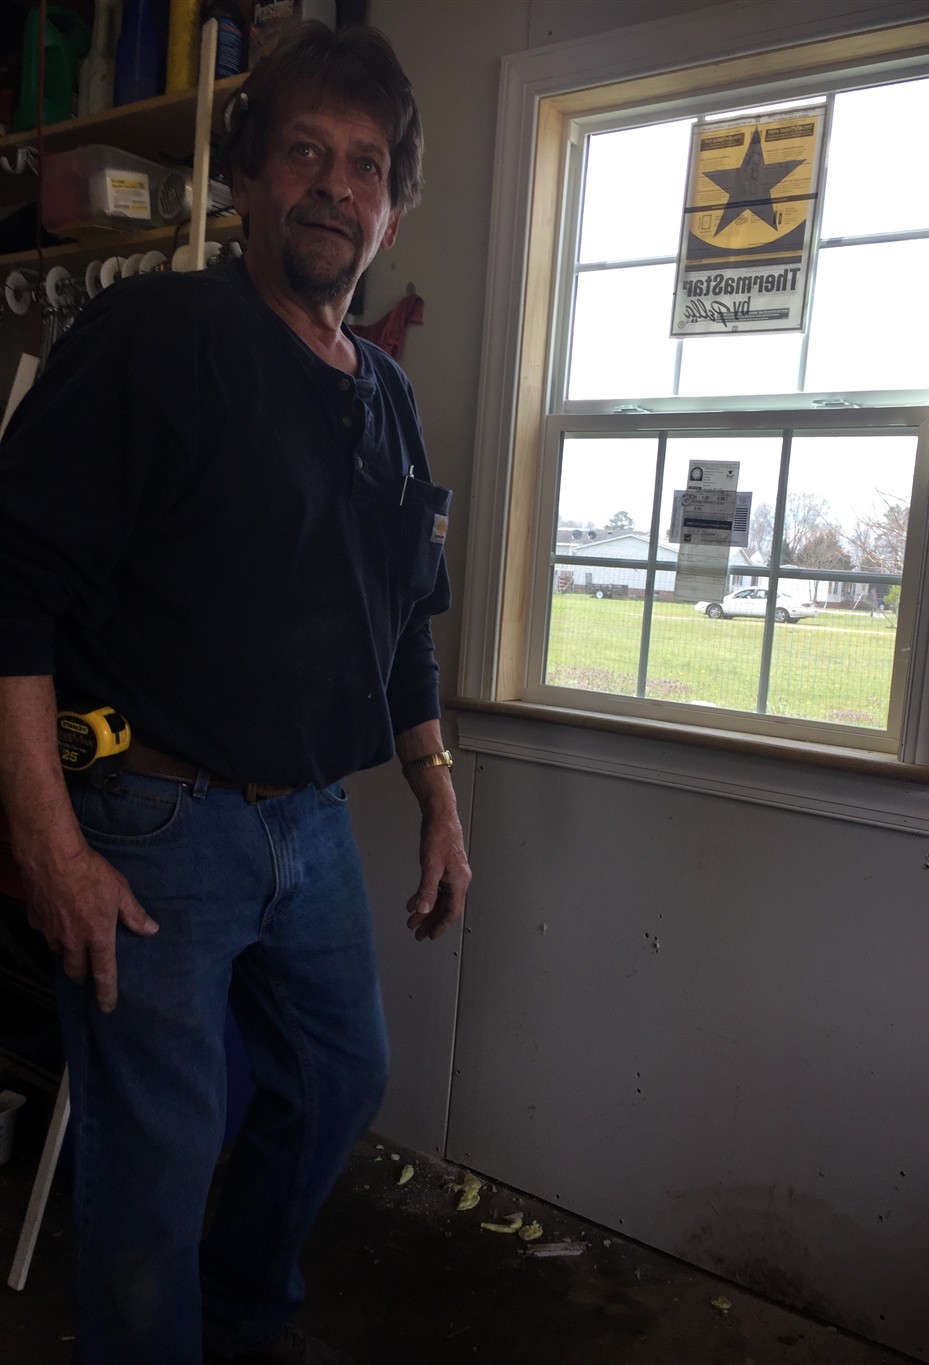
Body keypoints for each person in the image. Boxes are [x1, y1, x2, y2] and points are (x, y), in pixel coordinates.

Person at [0, 23, 470, 1365]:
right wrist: (48, 844)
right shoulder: (153, 337)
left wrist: (438, 795)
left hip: (308, 824)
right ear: (249, 179)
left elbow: (404, 621)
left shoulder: (386, 396)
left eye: (366, 165)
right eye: (305, 151)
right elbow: (12, 587)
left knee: (338, 1079)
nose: (336, 184)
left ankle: (246, 1313)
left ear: (389, 212)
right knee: (154, 1163)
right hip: (151, 822)